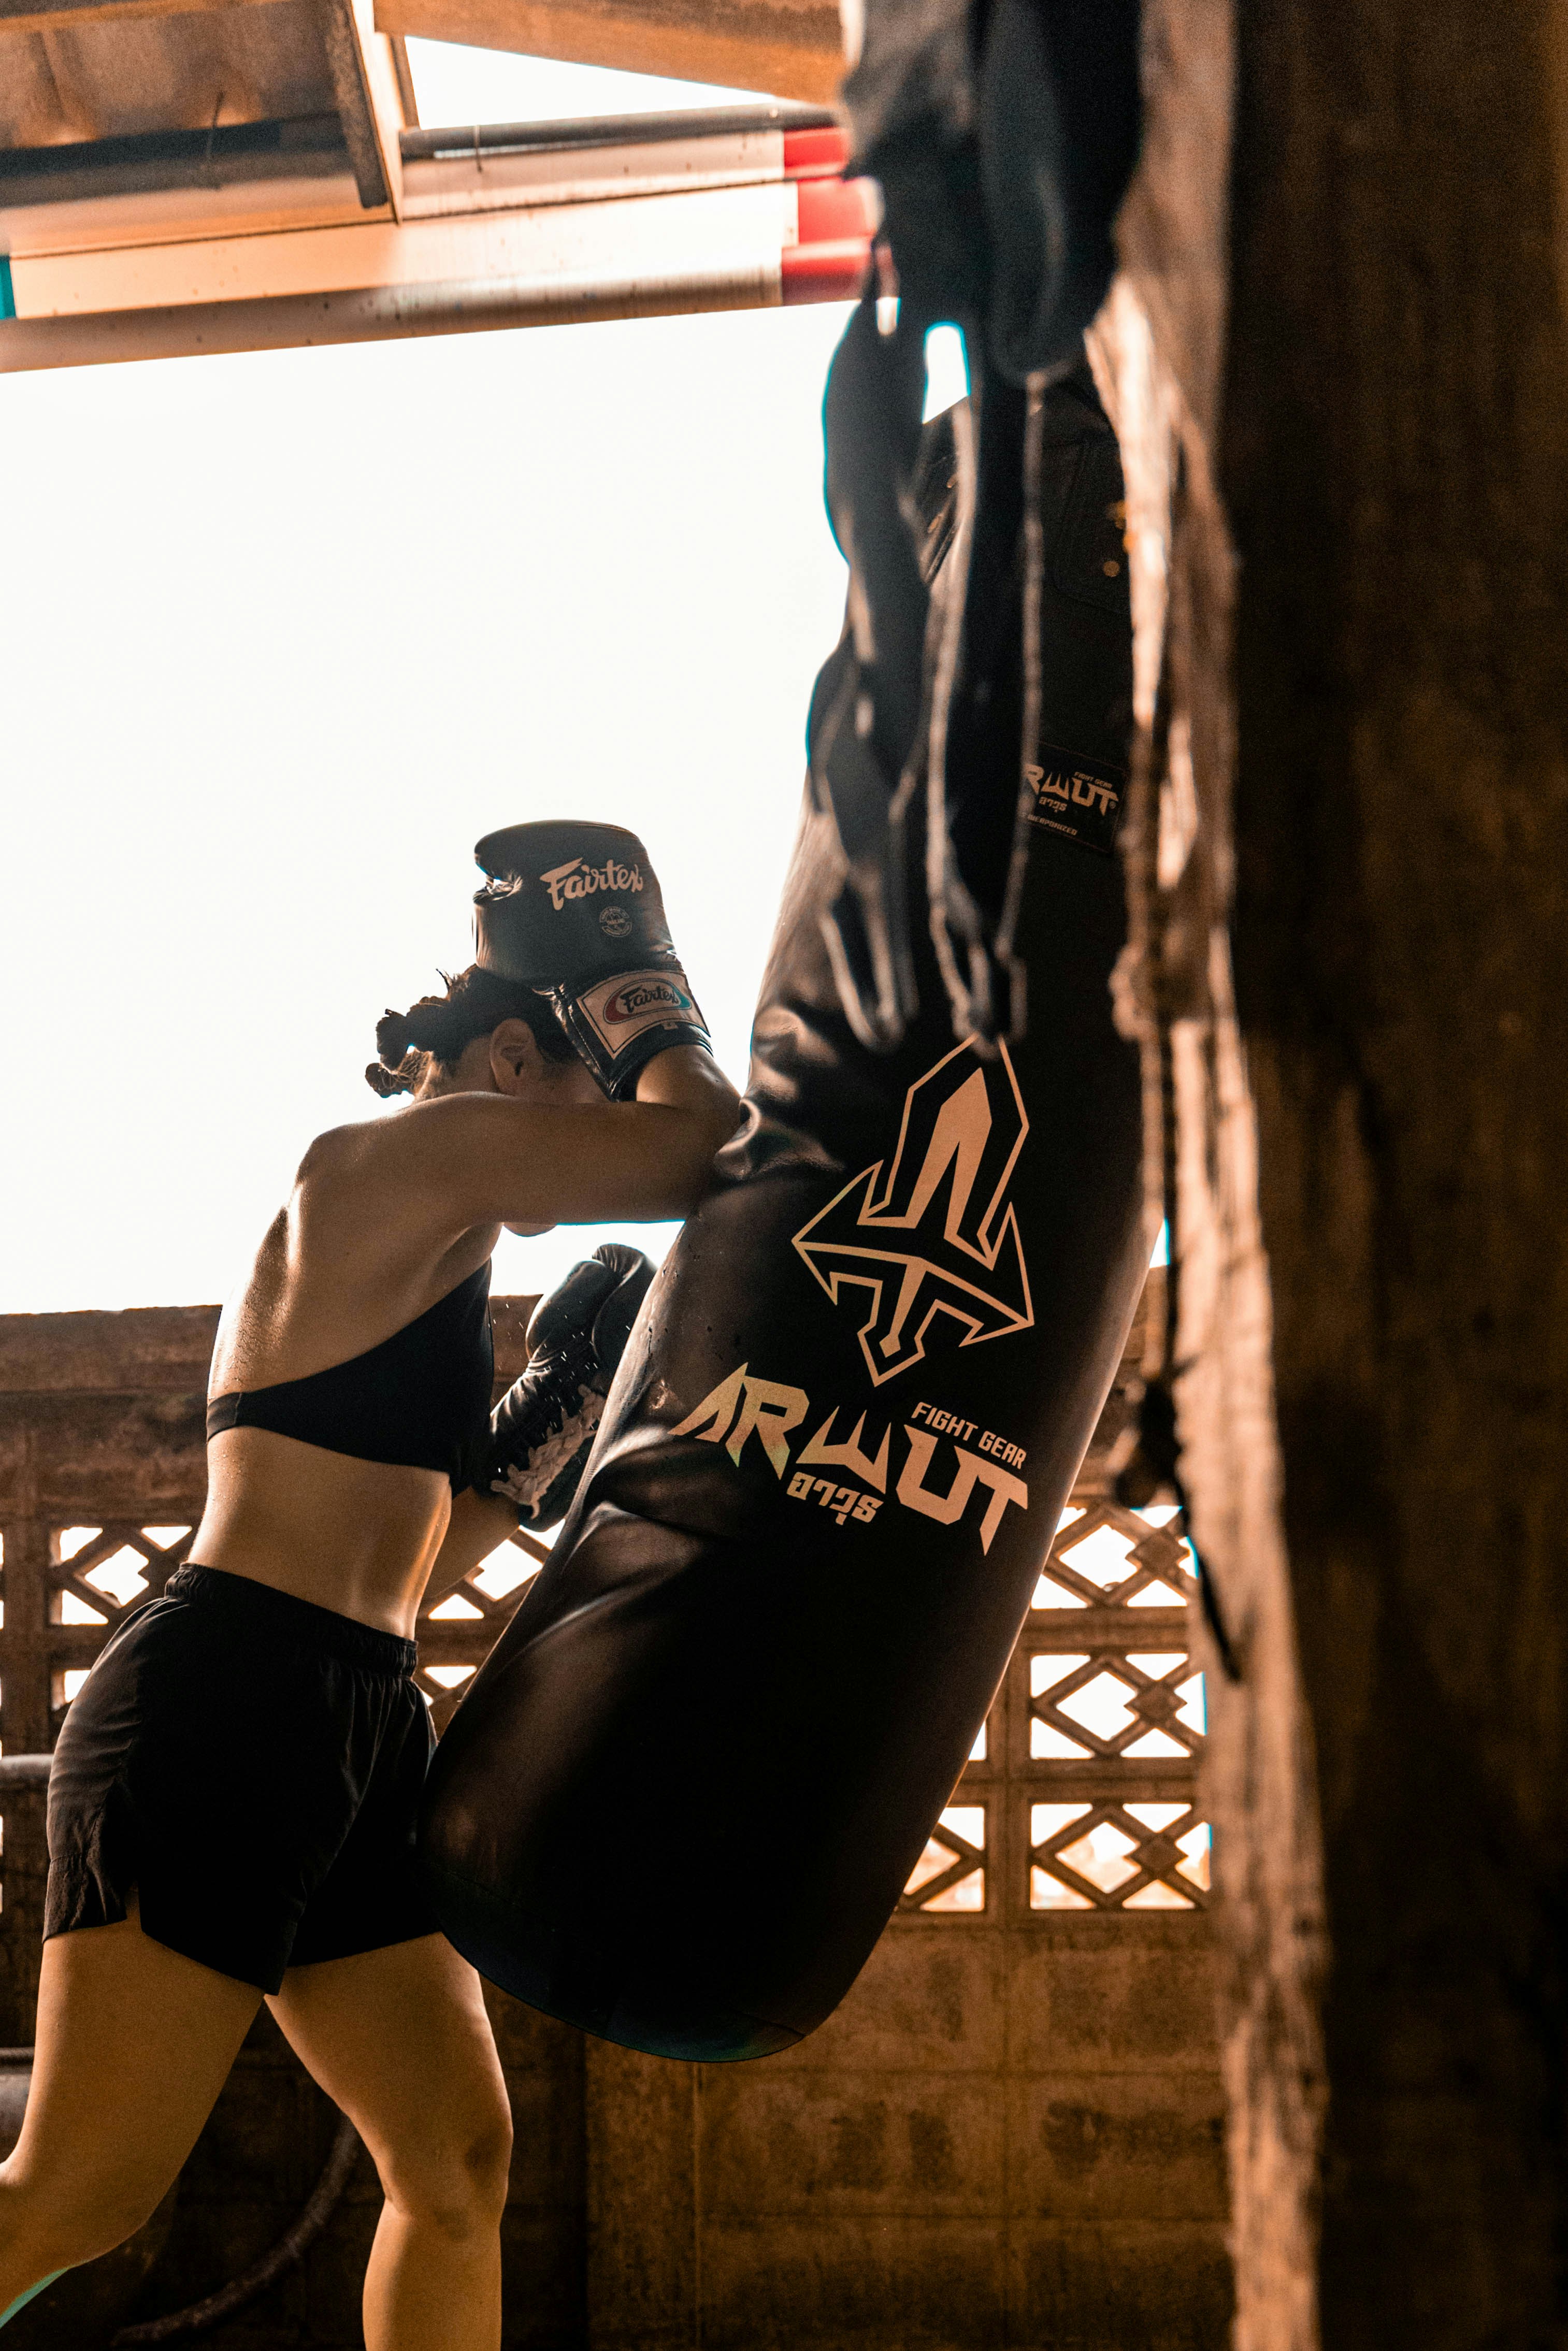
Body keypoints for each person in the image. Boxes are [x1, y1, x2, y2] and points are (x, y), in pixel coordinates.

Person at [0, 823, 739, 2349]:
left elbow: (388, 1570)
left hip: (349, 1701)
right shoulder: (398, 1153)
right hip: (226, 1703)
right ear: (516, 1052)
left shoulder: (428, 1235)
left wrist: (522, 1453)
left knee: (455, 2160)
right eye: (586, 1080)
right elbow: (708, 1154)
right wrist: (643, 1000)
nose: (594, 1127)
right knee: (76, 2196)